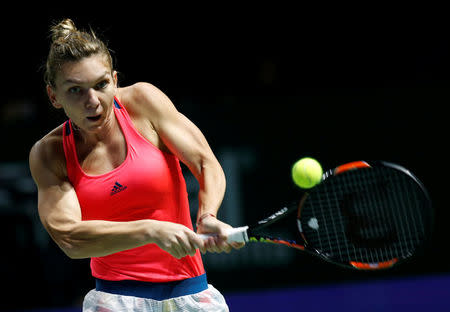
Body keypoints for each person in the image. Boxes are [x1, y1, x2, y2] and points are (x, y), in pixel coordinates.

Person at [29, 18, 242, 312]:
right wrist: (150, 230)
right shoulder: (49, 153)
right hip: (115, 301)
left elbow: (205, 162)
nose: (93, 101)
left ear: (115, 81)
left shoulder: (144, 101)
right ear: (54, 96)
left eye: (101, 84)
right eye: (76, 90)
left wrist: (207, 215)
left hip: (190, 292)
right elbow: (70, 239)